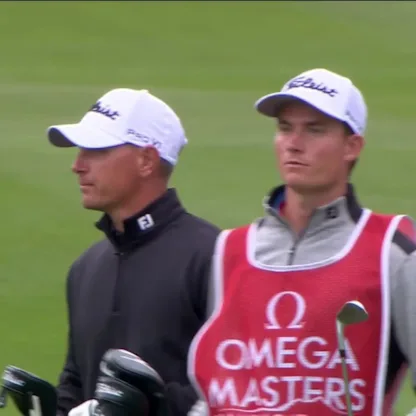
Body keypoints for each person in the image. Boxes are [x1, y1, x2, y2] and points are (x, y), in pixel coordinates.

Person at [187, 68, 416, 416]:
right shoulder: (229, 250)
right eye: (284, 128)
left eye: (314, 129)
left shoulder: (393, 249)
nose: (293, 143)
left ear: (352, 146)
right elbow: (219, 390)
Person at [46, 87, 220, 416]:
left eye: (96, 150)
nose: (77, 165)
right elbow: (76, 383)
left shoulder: (215, 257)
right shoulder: (85, 267)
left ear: (146, 161)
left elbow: (233, 390)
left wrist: (148, 405)